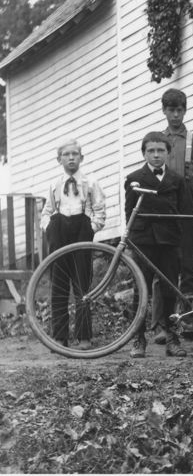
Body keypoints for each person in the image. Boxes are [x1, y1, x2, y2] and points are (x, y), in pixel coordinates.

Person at [124, 132, 191, 358]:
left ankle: (172, 338)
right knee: (140, 291)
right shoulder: (134, 178)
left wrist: (180, 239)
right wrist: (132, 240)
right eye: (151, 150)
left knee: (169, 288)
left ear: (168, 153)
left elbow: (183, 212)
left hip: (169, 241)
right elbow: (129, 214)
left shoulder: (177, 180)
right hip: (144, 241)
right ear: (144, 153)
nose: (155, 155)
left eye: (160, 150)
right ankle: (138, 339)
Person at [39, 139, 106, 351]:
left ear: (81, 158)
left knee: (82, 285)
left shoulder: (90, 183)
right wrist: (49, 228)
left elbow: (100, 211)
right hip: (59, 233)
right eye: (66, 155)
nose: (70, 158)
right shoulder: (54, 185)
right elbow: (46, 212)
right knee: (59, 285)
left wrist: (91, 228)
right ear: (59, 159)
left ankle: (84, 336)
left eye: (74, 154)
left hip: (81, 231)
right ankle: (59, 337)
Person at [159, 88, 193, 339]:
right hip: (164, 206)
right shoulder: (159, 141)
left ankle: (189, 321)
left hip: (187, 206)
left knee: (188, 264)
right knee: (166, 264)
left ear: (185, 110)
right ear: (164, 110)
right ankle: (164, 324)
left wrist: (188, 195)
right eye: (171, 110)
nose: (176, 115)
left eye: (180, 110)